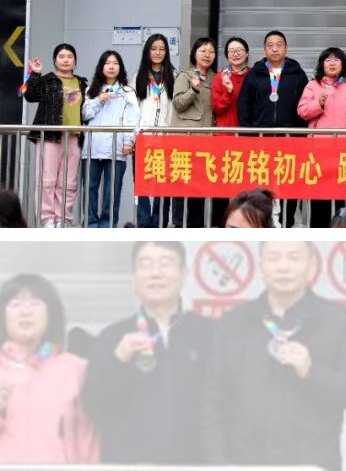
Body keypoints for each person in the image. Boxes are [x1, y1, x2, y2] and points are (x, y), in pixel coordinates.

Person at [203, 241, 346, 471]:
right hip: (244, 462)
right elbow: (212, 398)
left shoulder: (337, 321)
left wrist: (312, 372)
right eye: (274, 258)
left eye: (293, 258)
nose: (283, 267)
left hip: (312, 463)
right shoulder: (235, 322)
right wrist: (217, 463)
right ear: (261, 266)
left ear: (311, 266)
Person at [82, 242, 216, 464]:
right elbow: (94, 409)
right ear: (133, 277)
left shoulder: (209, 334)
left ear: (184, 275)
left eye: (165, 263)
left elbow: (225, 407)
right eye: (145, 264)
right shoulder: (113, 337)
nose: (155, 273)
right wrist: (118, 361)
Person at [0, 274, 99, 463]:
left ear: (51, 314)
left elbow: (88, 442)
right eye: (15, 304)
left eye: (35, 303)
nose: (25, 312)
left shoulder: (76, 369)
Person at [238, 31, 310, 227]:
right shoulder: (255, 74)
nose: (275, 49)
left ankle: (286, 223)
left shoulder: (297, 73)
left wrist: (301, 135)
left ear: (286, 48)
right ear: (264, 49)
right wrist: (247, 133)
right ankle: (261, 222)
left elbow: (304, 104)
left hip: (290, 139)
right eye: (270, 45)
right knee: (261, 183)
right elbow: (244, 104)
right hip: (261, 139)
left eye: (279, 45)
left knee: (289, 182)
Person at [298, 47, 346, 228]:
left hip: (345, 151)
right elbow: (302, 111)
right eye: (328, 60)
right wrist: (318, 103)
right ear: (322, 65)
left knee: (341, 196)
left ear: (343, 64)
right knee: (319, 195)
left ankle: (338, 233)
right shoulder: (312, 86)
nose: (332, 63)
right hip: (319, 151)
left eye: (336, 60)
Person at [24, 44, 87, 228]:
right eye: (61, 56)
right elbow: (30, 95)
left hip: (74, 136)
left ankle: (63, 218)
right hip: (50, 135)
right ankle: (48, 219)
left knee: (69, 181)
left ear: (75, 60)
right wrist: (35, 73)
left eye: (69, 56)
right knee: (47, 179)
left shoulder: (82, 83)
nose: (65, 60)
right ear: (55, 60)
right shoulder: (47, 80)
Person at [80, 50, 139, 227]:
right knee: (90, 188)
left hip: (117, 148)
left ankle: (108, 224)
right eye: (107, 63)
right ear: (101, 67)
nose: (111, 66)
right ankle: (90, 223)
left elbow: (132, 118)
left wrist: (129, 142)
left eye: (115, 63)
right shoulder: (91, 90)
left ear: (120, 67)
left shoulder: (127, 92)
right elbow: (85, 114)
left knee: (112, 190)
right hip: (92, 147)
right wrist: (99, 99)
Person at [171, 37, 217, 227]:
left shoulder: (217, 78)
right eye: (203, 51)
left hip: (206, 142)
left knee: (199, 188)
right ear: (194, 54)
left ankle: (195, 227)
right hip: (185, 140)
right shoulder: (185, 76)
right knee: (181, 185)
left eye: (211, 51)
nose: (207, 55)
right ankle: (178, 225)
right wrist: (193, 90)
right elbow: (178, 103)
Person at [134, 33, 176, 228]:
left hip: (166, 137)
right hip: (144, 136)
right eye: (154, 49)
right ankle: (144, 223)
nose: (158, 53)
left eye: (162, 49)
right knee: (142, 183)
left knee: (164, 183)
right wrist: (134, 135)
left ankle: (160, 223)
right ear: (147, 51)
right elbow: (134, 108)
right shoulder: (138, 76)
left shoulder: (173, 75)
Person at [210, 36, 250, 225]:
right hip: (224, 137)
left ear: (247, 53)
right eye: (231, 51)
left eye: (239, 50)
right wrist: (228, 91)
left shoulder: (253, 75)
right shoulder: (221, 77)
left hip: (247, 138)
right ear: (226, 55)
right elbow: (217, 107)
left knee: (246, 186)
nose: (235, 54)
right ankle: (221, 227)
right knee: (222, 186)